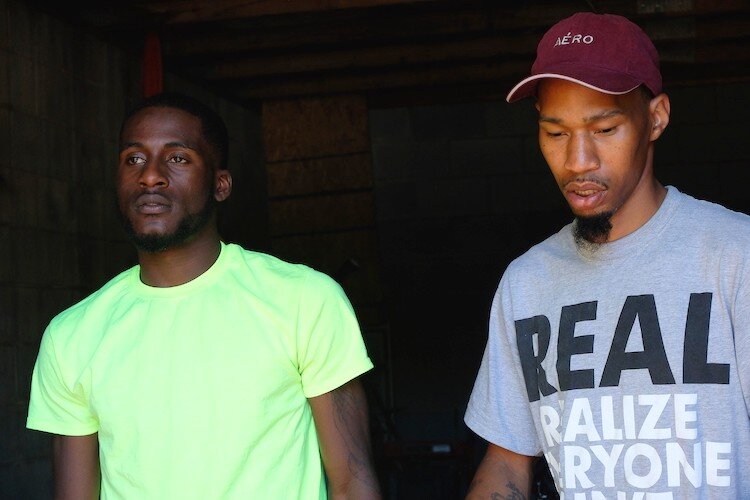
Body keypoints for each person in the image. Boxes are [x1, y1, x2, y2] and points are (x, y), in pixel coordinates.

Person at [27, 92, 381, 499]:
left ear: (220, 184)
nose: (150, 176)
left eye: (177, 158)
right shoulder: (72, 335)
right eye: (134, 159)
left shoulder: (305, 301)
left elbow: (353, 481)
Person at [464, 12, 750, 499]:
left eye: (604, 129)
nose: (578, 160)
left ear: (655, 118)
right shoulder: (526, 283)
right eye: (555, 134)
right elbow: (508, 467)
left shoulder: (733, 255)